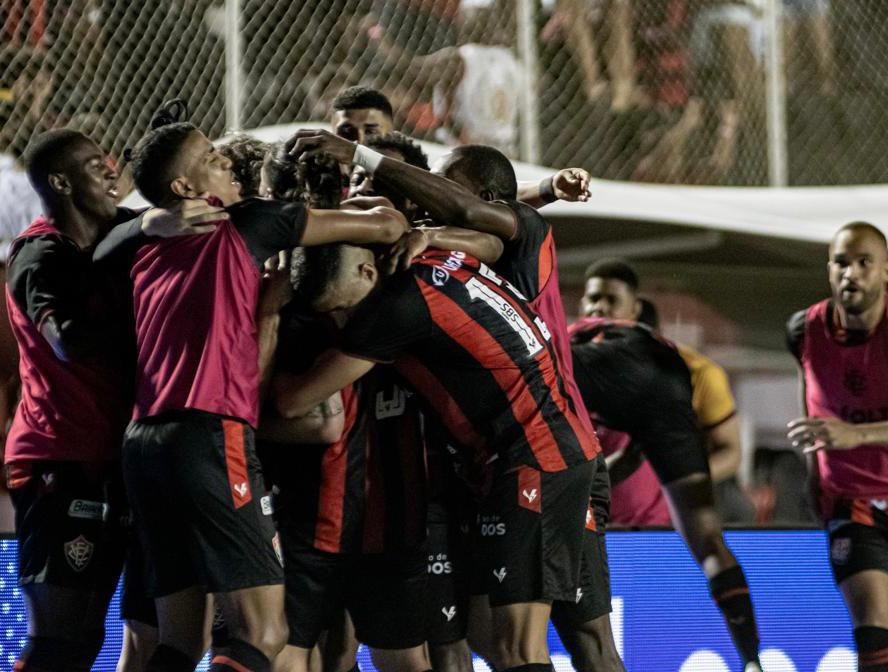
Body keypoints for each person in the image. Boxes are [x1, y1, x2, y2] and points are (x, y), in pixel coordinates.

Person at [94, 99, 409, 672]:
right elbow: (386, 227)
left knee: (179, 640)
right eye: (213, 159)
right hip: (209, 434)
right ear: (188, 185)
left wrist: (146, 219)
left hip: (142, 446)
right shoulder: (252, 222)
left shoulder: (146, 246)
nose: (228, 165)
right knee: (264, 632)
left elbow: (102, 252)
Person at [274, 234, 601, 672]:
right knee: (491, 636)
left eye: (341, 305)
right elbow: (487, 241)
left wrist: (264, 314)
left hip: (534, 458)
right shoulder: (433, 253)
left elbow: (295, 402)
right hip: (538, 449)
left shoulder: (392, 311)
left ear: (368, 272)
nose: (342, 319)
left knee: (519, 646)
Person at [579, 258, 762, 672]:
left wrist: (672, 479)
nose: (599, 308)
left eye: (610, 300)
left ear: (636, 308)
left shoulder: (697, 371)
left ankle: (750, 658)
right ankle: (752, 658)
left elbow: (730, 451)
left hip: (655, 530)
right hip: (599, 524)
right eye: (592, 299)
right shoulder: (588, 358)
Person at [786, 221, 888, 672]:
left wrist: (855, 435)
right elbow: (812, 401)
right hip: (851, 502)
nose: (852, 274)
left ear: (885, 272)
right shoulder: (803, 330)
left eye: (865, 263)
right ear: (829, 270)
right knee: (872, 627)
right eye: (842, 263)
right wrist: (813, 472)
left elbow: (842, 428)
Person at [639, 297, 753, 522]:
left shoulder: (701, 374)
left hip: (694, 495)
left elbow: (731, 454)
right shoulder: (589, 372)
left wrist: (675, 483)